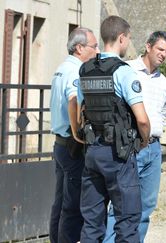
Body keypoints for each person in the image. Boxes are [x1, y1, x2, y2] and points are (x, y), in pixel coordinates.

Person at [78, 15, 151, 243]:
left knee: (91, 222)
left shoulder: (86, 70)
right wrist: (144, 139)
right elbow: (142, 119)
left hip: (92, 151)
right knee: (127, 220)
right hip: (117, 155)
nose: (128, 42)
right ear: (121, 38)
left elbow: (81, 110)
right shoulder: (124, 72)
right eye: (128, 38)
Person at [104, 30, 166, 243]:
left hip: (153, 148)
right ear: (148, 46)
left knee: (146, 206)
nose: (163, 54)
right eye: (160, 49)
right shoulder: (127, 70)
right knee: (120, 205)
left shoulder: (165, 82)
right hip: (130, 145)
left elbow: (163, 112)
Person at [49, 27, 98, 243]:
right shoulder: (75, 70)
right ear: (79, 48)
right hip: (71, 144)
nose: (97, 51)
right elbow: (73, 100)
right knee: (72, 206)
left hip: (60, 144)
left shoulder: (61, 68)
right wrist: (79, 132)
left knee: (59, 203)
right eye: (93, 47)